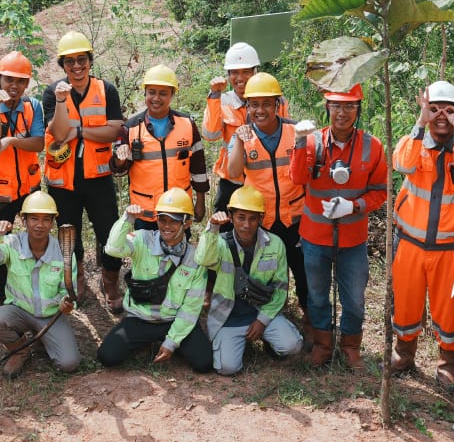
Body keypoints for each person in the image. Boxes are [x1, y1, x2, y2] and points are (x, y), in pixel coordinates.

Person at [389, 81, 454, 389]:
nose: (441, 115)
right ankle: (404, 354)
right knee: (405, 305)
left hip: (448, 249)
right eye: (435, 109)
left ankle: (448, 364)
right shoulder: (414, 143)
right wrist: (421, 123)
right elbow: (401, 164)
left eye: (449, 109)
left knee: (447, 311)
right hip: (410, 244)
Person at [289, 84, 388, 370]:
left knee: (355, 299)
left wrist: (354, 206)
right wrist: (298, 142)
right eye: (336, 106)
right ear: (327, 108)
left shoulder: (372, 146)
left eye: (349, 106)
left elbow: (380, 191)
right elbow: (297, 178)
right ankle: (322, 344)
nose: (342, 112)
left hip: (352, 239)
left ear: (358, 109)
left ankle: (350, 347)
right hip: (314, 237)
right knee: (317, 295)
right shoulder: (313, 141)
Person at [43, 31, 125, 311]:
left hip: (98, 179)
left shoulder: (106, 90)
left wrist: (80, 131)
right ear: (62, 65)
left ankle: (111, 282)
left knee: (110, 234)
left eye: (82, 60)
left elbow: (114, 129)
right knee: (69, 233)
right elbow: (57, 132)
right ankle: (77, 281)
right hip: (64, 182)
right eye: (69, 62)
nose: (76, 67)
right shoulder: (52, 92)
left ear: (90, 61)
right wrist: (63, 102)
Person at [97, 189, 211, 372]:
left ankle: (172, 341)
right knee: (107, 356)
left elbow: (191, 307)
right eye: (162, 220)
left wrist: (172, 342)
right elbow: (113, 249)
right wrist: (127, 219)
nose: (167, 226)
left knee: (204, 362)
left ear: (187, 223)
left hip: (174, 320)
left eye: (174, 221)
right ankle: (145, 342)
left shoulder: (195, 258)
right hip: (140, 318)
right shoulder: (143, 239)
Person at [223, 72, 308, 316]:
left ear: (278, 105)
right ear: (247, 106)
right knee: (263, 272)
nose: (260, 110)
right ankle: (266, 315)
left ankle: (310, 319)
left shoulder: (295, 132)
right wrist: (238, 141)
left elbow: (310, 174)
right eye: (254, 105)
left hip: (295, 218)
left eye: (267, 104)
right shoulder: (243, 136)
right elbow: (233, 172)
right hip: (263, 220)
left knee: (303, 272)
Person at [197, 185, 303, 376]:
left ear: (261, 219)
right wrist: (212, 227)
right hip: (229, 318)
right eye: (241, 217)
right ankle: (237, 343)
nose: (246, 224)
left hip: (261, 313)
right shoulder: (219, 242)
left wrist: (262, 321)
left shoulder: (275, 244)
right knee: (227, 368)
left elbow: (280, 289)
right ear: (231, 217)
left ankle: (267, 338)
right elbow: (203, 259)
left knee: (292, 346)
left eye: (253, 218)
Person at [0, 192, 80, 378]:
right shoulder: (12, 243)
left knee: (69, 363)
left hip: (50, 316)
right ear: (23, 220)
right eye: (34, 218)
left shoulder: (63, 253)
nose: (39, 225)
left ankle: (42, 335)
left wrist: (66, 303)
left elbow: (68, 290)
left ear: (52, 223)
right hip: (20, 310)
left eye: (45, 220)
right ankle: (20, 350)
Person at [0, 51, 45, 308]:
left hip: (29, 190)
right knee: (0, 244)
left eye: (20, 81)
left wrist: (12, 141)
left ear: (27, 84)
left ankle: (30, 291)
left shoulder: (32, 106)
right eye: (8, 80)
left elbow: (38, 143)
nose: (13, 86)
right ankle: (2, 298)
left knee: (33, 242)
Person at [112, 64, 209, 230]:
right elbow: (118, 171)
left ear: (172, 94)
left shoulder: (187, 124)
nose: (156, 98)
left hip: (179, 212)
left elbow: (198, 168)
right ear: (145, 93)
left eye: (163, 93)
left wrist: (200, 202)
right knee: (145, 255)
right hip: (144, 214)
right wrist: (120, 160)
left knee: (179, 255)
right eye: (152, 92)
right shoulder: (130, 128)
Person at [202, 42, 288, 213]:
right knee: (225, 232)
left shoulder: (275, 100)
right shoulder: (223, 101)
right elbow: (210, 134)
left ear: (255, 72)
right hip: (233, 182)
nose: (240, 78)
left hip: (265, 179)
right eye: (234, 72)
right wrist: (214, 96)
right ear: (228, 75)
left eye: (246, 72)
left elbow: (285, 136)